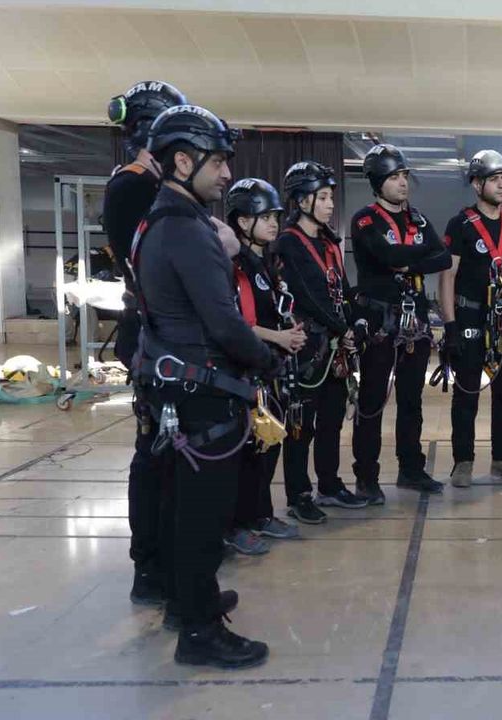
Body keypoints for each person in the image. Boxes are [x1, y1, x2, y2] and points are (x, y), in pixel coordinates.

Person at [132, 105, 275, 666]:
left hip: (176, 387)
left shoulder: (157, 222)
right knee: (201, 518)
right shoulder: (187, 232)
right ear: (182, 162)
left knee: (180, 507)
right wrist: (266, 360)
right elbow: (224, 323)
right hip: (202, 393)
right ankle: (199, 631)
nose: (226, 173)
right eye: (217, 162)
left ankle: (186, 599)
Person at [102, 79, 187, 607]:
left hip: (165, 331)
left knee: (172, 454)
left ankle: (170, 556)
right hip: (153, 334)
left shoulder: (148, 185)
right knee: (154, 453)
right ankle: (150, 565)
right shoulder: (133, 186)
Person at [350, 144, 451, 501]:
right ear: (378, 182)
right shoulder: (365, 220)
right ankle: (367, 476)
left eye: (404, 175)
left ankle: (411, 469)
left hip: (415, 321)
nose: (403, 182)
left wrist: (409, 264)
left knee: (411, 400)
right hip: (379, 319)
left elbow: (443, 258)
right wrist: (418, 255)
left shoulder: (418, 220)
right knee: (372, 401)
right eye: (394, 177)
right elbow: (387, 254)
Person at [273, 161, 370, 520]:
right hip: (308, 347)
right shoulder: (288, 243)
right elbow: (307, 296)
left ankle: (329, 484)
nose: (331, 205)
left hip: (334, 347)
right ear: (303, 201)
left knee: (332, 420)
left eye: (331, 197)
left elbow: (340, 289)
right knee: (301, 424)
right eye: (324, 197)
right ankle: (298, 494)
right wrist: (342, 328)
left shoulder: (329, 242)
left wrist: (355, 320)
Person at [439, 149, 502, 487]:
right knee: (467, 393)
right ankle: (463, 462)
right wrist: (450, 325)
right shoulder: (461, 225)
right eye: (495, 179)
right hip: (471, 319)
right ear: (477, 184)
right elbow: (448, 276)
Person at [224, 178, 307, 554]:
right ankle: (236, 524)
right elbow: (236, 321)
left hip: (270, 367)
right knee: (247, 450)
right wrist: (279, 338)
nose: (274, 223)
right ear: (243, 221)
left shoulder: (266, 263)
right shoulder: (235, 265)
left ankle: (260, 514)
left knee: (268, 444)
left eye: (276, 216)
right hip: (247, 369)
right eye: (266, 217)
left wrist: (288, 333)